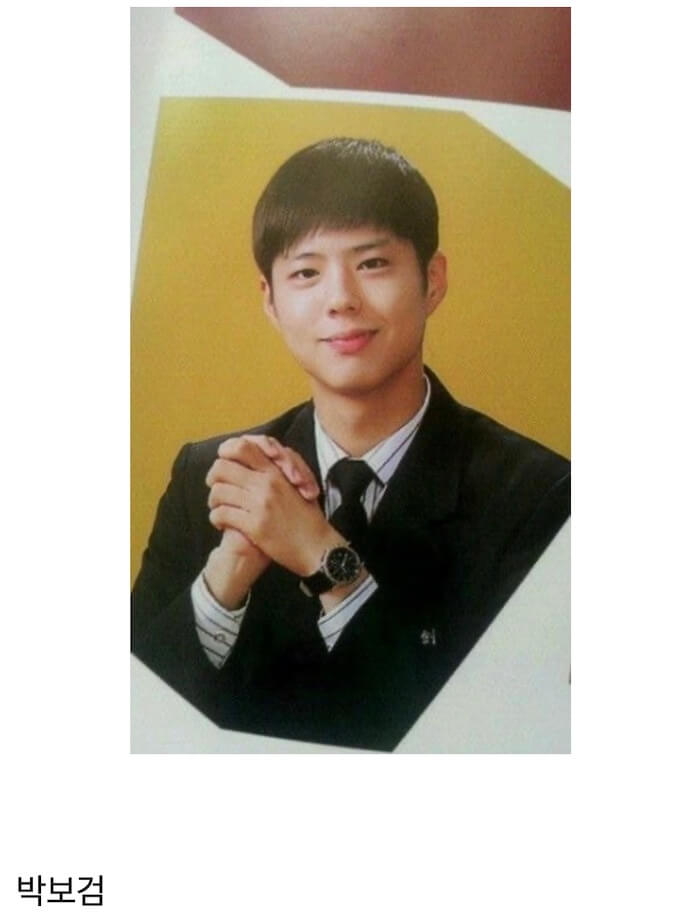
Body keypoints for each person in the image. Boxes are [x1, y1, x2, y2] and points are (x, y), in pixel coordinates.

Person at [131, 137, 570, 752]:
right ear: (271, 301)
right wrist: (225, 575)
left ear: (432, 280)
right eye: (306, 272)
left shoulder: (541, 495)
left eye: (372, 264)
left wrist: (324, 557)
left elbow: (500, 739)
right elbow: (132, 719)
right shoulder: (210, 476)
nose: (340, 299)